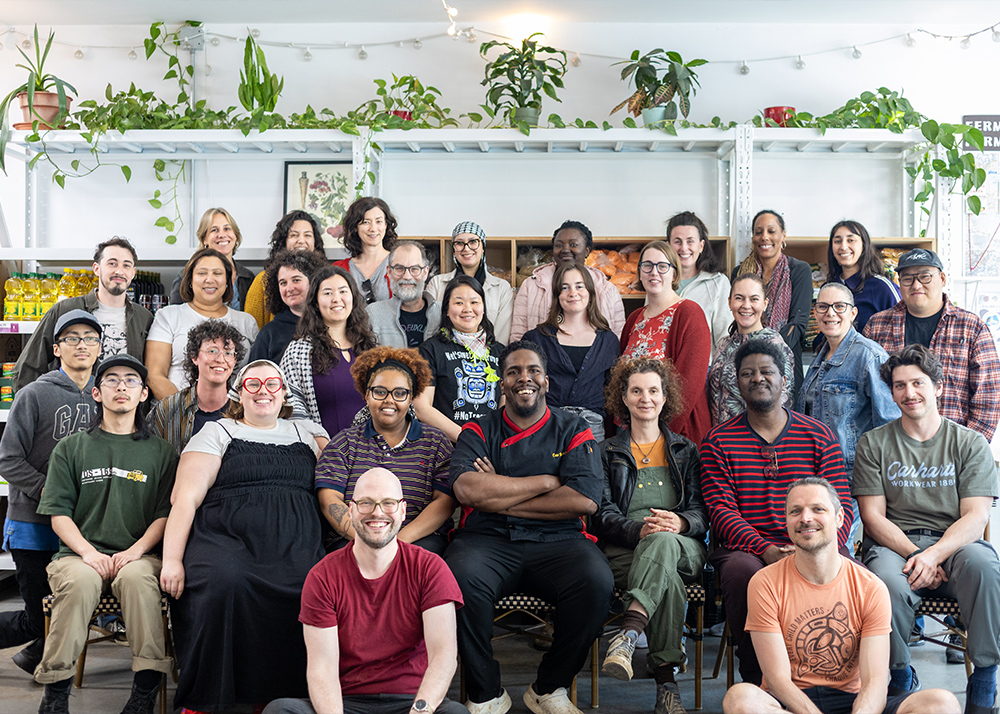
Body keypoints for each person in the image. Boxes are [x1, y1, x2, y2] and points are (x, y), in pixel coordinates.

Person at [445, 340, 613, 714]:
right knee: (457, 581)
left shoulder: (573, 427)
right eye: (514, 372)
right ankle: (485, 692)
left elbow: (584, 499)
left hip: (560, 540)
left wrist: (500, 493)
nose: (525, 378)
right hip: (485, 540)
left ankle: (549, 688)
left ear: (547, 381)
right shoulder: (477, 429)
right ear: (501, 383)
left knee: (596, 582)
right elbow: (467, 489)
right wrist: (548, 481)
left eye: (533, 370)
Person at [160, 360, 329, 713]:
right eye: (253, 384)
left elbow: (332, 490)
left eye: (272, 383)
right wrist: (172, 560)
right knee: (225, 582)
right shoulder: (217, 432)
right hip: (226, 538)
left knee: (310, 587)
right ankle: (205, 700)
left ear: (284, 393)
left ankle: (277, 697)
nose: (263, 391)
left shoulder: (308, 435)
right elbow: (185, 500)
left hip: (295, 543)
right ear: (239, 392)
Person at [723, 478, 960, 714]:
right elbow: (777, 680)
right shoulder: (765, 583)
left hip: (854, 702)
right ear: (787, 521)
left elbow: (874, 683)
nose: (805, 518)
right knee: (740, 699)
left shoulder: (871, 587)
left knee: (941, 704)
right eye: (795, 511)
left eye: (818, 509)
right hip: (789, 704)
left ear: (839, 518)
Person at [853, 344, 1000, 714]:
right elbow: (872, 517)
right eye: (899, 386)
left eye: (917, 383)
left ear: (938, 386)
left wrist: (934, 555)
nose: (909, 393)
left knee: (985, 567)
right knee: (884, 580)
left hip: (955, 545)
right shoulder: (874, 443)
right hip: (895, 546)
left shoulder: (969, 443)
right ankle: (900, 677)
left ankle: (984, 676)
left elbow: (977, 516)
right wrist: (917, 556)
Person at [700, 339, 853, 686]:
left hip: (815, 541)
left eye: (767, 371)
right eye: (747, 373)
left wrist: (814, 548)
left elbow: (839, 504)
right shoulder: (718, 441)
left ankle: (840, 680)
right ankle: (758, 681)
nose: (758, 378)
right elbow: (721, 511)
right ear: (736, 383)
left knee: (853, 573)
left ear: (784, 379)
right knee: (743, 574)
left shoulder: (818, 435)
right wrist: (765, 549)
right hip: (748, 549)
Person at [33, 354, 177, 714]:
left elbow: (164, 515)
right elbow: (58, 514)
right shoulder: (71, 448)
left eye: (131, 381)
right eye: (112, 380)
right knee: (80, 583)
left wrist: (135, 551)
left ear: (144, 394)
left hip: (139, 555)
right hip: (78, 556)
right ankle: (56, 694)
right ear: (97, 393)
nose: (122, 387)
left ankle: (144, 690)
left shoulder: (162, 452)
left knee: (140, 581)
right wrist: (88, 554)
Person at [261, 467, 468, 714]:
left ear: (403, 510)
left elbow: (443, 656)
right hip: (346, 703)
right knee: (280, 710)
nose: (377, 512)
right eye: (366, 503)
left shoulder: (430, 568)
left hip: (411, 701)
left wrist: (420, 711)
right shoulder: (323, 576)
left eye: (388, 503)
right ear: (351, 509)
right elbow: (322, 668)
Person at [592, 357, 708, 714]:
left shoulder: (685, 450)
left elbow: (702, 512)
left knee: (664, 543)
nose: (646, 398)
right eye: (636, 390)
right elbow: (601, 514)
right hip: (626, 549)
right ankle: (666, 683)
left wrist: (681, 524)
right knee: (666, 576)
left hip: (684, 545)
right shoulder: (606, 451)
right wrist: (639, 529)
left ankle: (628, 633)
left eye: (653, 390)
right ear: (623, 399)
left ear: (665, 397)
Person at [0, 310, 101, 676]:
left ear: (99, 347)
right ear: (56, 348)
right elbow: (8, 459)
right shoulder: (33, 395)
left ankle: (35, 657)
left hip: (83, 527)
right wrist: (51, 492)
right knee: (37, 616)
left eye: (90, 338)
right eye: (72, 338)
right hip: (33, 526)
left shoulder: (105, 397)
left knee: (68, 608)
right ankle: (34, 655)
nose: (82, 345)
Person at [314, 346, 456, 555]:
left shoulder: (436, 443)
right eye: (379, 392)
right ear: (366, 395)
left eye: (400, 393)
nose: (389, 400)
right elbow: (330, 500)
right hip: (354, 541)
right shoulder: (343, 443)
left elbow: (444, 502)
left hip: (418, 541)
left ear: (411, 398)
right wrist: (368, 541)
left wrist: (396, 542)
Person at [864, 247, 1000, 441]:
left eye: (925, 276)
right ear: (899, 284)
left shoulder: (971, 327)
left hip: (953, 446)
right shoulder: (877, 325)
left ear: (942, 279)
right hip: (891, 446)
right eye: (908, 278)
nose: (916, 284)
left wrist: (969, 450)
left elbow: (988, 398)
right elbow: (864, 390)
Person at [796, 283, 899, 505]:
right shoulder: (820, 356)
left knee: (837, 539)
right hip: (815, 473)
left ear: (853, 313)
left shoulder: (870, 356)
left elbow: (890, 425)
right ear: (815, 313)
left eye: (839, 306)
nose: (830, 313)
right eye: (823, 306)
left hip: (851, 478)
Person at [13, 237, 153, 391]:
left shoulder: (144, 318)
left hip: (126, 411)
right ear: (96, 268)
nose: (119, 271)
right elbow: (28, 368)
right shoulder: (65, 310)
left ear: (133, 272)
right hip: (72, 410)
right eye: (112, 263)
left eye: (126, 265)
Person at [622, 241, 712, 445]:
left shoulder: (689, 313)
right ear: (640, 272)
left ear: (674, 273)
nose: (654, 272)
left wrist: (660, 435)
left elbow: (688, 384)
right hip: (633, 434)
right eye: (647, 266)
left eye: (662, 266)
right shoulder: (634, 318)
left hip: (676, 434)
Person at [146, 248, 258, 401]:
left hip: (232, 417)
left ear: (227, 281)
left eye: (217, 273)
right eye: (202, 273)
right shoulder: (168, 316)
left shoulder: (247, 322)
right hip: (174, 414)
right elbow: (154, 375)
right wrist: (187, 413)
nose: (209, 279)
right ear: (190, 280)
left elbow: (254, 377)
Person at [523, 262, 619, 442]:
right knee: (545, 471)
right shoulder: (536, 338)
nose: (572, 293)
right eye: (564, 287)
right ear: (557, 295)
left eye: (579, 286)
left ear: (590, 292)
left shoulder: (608, 340)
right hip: (546, 425)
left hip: (592, 429)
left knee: (588, 471)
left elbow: (613, 390)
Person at [281, 265, 377, 436]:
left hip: (372, 455)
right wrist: (322, 447)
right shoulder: (298, 351)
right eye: (327, 293)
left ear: (353, 297)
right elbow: (292, 409)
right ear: (315, 303)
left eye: (343, 291)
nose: (336, 299)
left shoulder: (370, 348)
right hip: (322, 454)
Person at [732, 209, 812, 399]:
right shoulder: (740, 272)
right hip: (745, 363)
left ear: (783, 236)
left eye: (771, 231)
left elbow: (798, 323)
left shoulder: (799, 270)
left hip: (786, 364)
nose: (764, 237)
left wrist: (769, 354)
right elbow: (738, 319)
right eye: (758, 232)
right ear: (753, 237)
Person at [415, 275, 503, 443]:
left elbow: (506, 406)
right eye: (459, 302)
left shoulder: (500, 352)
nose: (467, 309)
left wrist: (492, 442)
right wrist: (466, 438)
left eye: (474, 302)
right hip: (446, 447)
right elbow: (421, 408)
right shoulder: (430, 350)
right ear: (446, 310)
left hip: (492, 446)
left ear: (483, 308)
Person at [509, 219, 626, 341]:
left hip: (594, 358)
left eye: (573, 244)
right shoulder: (531, 285)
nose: (565, 249)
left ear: (587, 250)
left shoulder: (607, 289)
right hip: (539, 358)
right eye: (559, 245)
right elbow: (518, 336)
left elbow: (618, 338)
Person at [707, 274, 794, 427]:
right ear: (729, 302)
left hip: (752, 442)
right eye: (739, 298)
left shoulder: (775, 346)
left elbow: (782, 404)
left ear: (765, 304)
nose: (746, 305)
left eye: (754, 299)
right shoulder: (723, 344)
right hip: (720, 440)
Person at [150, 319, 247, 453]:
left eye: (228, 353)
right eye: (212, 351)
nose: (220, 359)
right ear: (194, 357)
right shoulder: (167, 410)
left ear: (235, 361)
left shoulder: (245, 411)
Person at [427, 221, 515, 344]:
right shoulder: (437, 284)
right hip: (446, 356)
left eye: (473, 242)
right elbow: (432, 327)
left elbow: (501, 336)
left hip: (488, 358)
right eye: (459, 243)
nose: (466, 248)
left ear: (483, 247)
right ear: (453, 248)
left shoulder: (502, 288)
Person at [244, 210, 328, 329]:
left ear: (315, 241)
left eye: (308, 235)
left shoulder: (326, 279)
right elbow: (252, 329)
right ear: (284, 241)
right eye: (294, 235)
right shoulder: (262, 280)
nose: (301, 240)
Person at [668, 211, 731, 357]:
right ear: (668, 246)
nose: (684, 248)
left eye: (690, 241)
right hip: (663, 371)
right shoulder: (658, 280)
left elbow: (724, 337)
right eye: (677, 241)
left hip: (704, 371)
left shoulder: (718, 282)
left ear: (701, 246)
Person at [249, 250, 328, 364]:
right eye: (283, 283)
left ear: (313, 282)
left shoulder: (331, 324)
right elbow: (255, 376)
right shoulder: (269, 333)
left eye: (296, 280)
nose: (289, 288)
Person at [169, 207, 255, 310]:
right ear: (204, 239)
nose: (222, 235)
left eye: (227, 229)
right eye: (214, 230)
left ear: (235, 236)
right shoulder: (186, 276)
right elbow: (175, 315)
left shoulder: (248, 278)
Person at [825, 219, 900, 336]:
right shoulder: (830, 286)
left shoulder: (882, 287)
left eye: (851, 240)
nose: (843, 246)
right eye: (837, 241)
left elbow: (901, 327)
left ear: (864, 245)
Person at [367, 241, 442, 348]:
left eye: (415, 269)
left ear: (425, 273)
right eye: (399, 269)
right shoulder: (372, 315)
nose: (407, 276)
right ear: (389, 272)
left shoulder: (442, 313)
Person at [333, 196, 397, 304]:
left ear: (386, 225)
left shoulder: (400, 265)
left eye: (379, 221)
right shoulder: (338, 269)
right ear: (355, 227)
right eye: (366, 222)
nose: (373, 228)